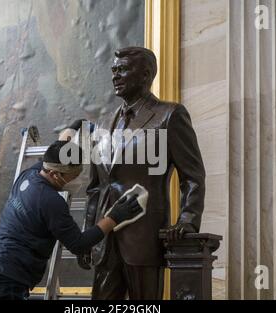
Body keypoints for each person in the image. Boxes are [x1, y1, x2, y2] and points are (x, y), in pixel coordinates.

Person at [79, 47, 206, 299]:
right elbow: (95, 188)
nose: (116, 76)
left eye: (123, 69)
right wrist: (87, 234)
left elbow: (192, 176)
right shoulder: (103, 124)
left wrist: (187, 221)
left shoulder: (169, 115)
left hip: (143, 236)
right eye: (114, 70)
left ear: (146, 75)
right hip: (105, 240)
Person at [0, 139, 142, 300]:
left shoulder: (28, 175)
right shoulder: (51, 201)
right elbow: (78, 244)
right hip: (3, 286)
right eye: (73, 176)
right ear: (55, 174)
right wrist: (114, 217)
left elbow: (53, 155)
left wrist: (70, 133)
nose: (78, 180)